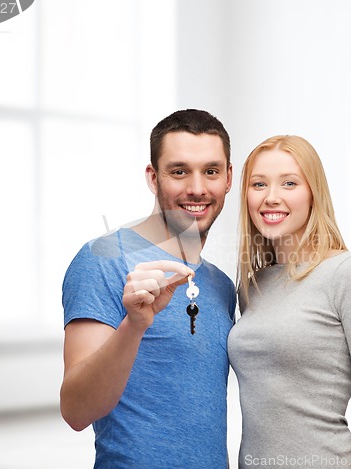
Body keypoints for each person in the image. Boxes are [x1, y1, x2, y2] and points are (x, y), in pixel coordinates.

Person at [60, 109, 236, 468]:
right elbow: (76, 410)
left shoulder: (222, 285)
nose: (197, 188)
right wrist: (135, 325)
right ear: (153, 178)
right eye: (179, 171)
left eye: (211, 171)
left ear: (229, 178)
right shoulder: (103, 259)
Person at [228, 135, 351, 469]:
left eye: (289, 183)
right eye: (258, 184)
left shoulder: (349, 274)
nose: (271, 197)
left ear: (313, 194)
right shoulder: (253, 285)